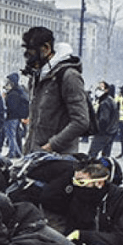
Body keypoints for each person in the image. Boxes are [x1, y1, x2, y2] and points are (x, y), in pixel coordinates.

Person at [20, 27, 89, 155]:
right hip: (36, 156)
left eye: (31, 52)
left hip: (57, 159)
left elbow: (81, 121)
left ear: (46, 48)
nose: (27, 57)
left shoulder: (69, 76)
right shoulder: (38, 76)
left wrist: (51, 145)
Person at [87, 81, 118, 159]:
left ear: (106, 90)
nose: (98, 90)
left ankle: (92, 166)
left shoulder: (105, 103)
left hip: (103, 132)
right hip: (111, 131)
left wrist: (97, 129)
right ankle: (104, 166)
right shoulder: (110, 100)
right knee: (105, 156)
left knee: (92, 153)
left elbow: (104, 119)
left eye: (100, 88)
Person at [2, 72, 28, 158]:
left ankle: (13, 152)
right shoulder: (19, 92)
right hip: (16, 118)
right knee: (15, 135)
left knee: (11, 136)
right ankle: (17, 152)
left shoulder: (13, 94)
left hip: (11, 117)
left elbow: (11, 107)